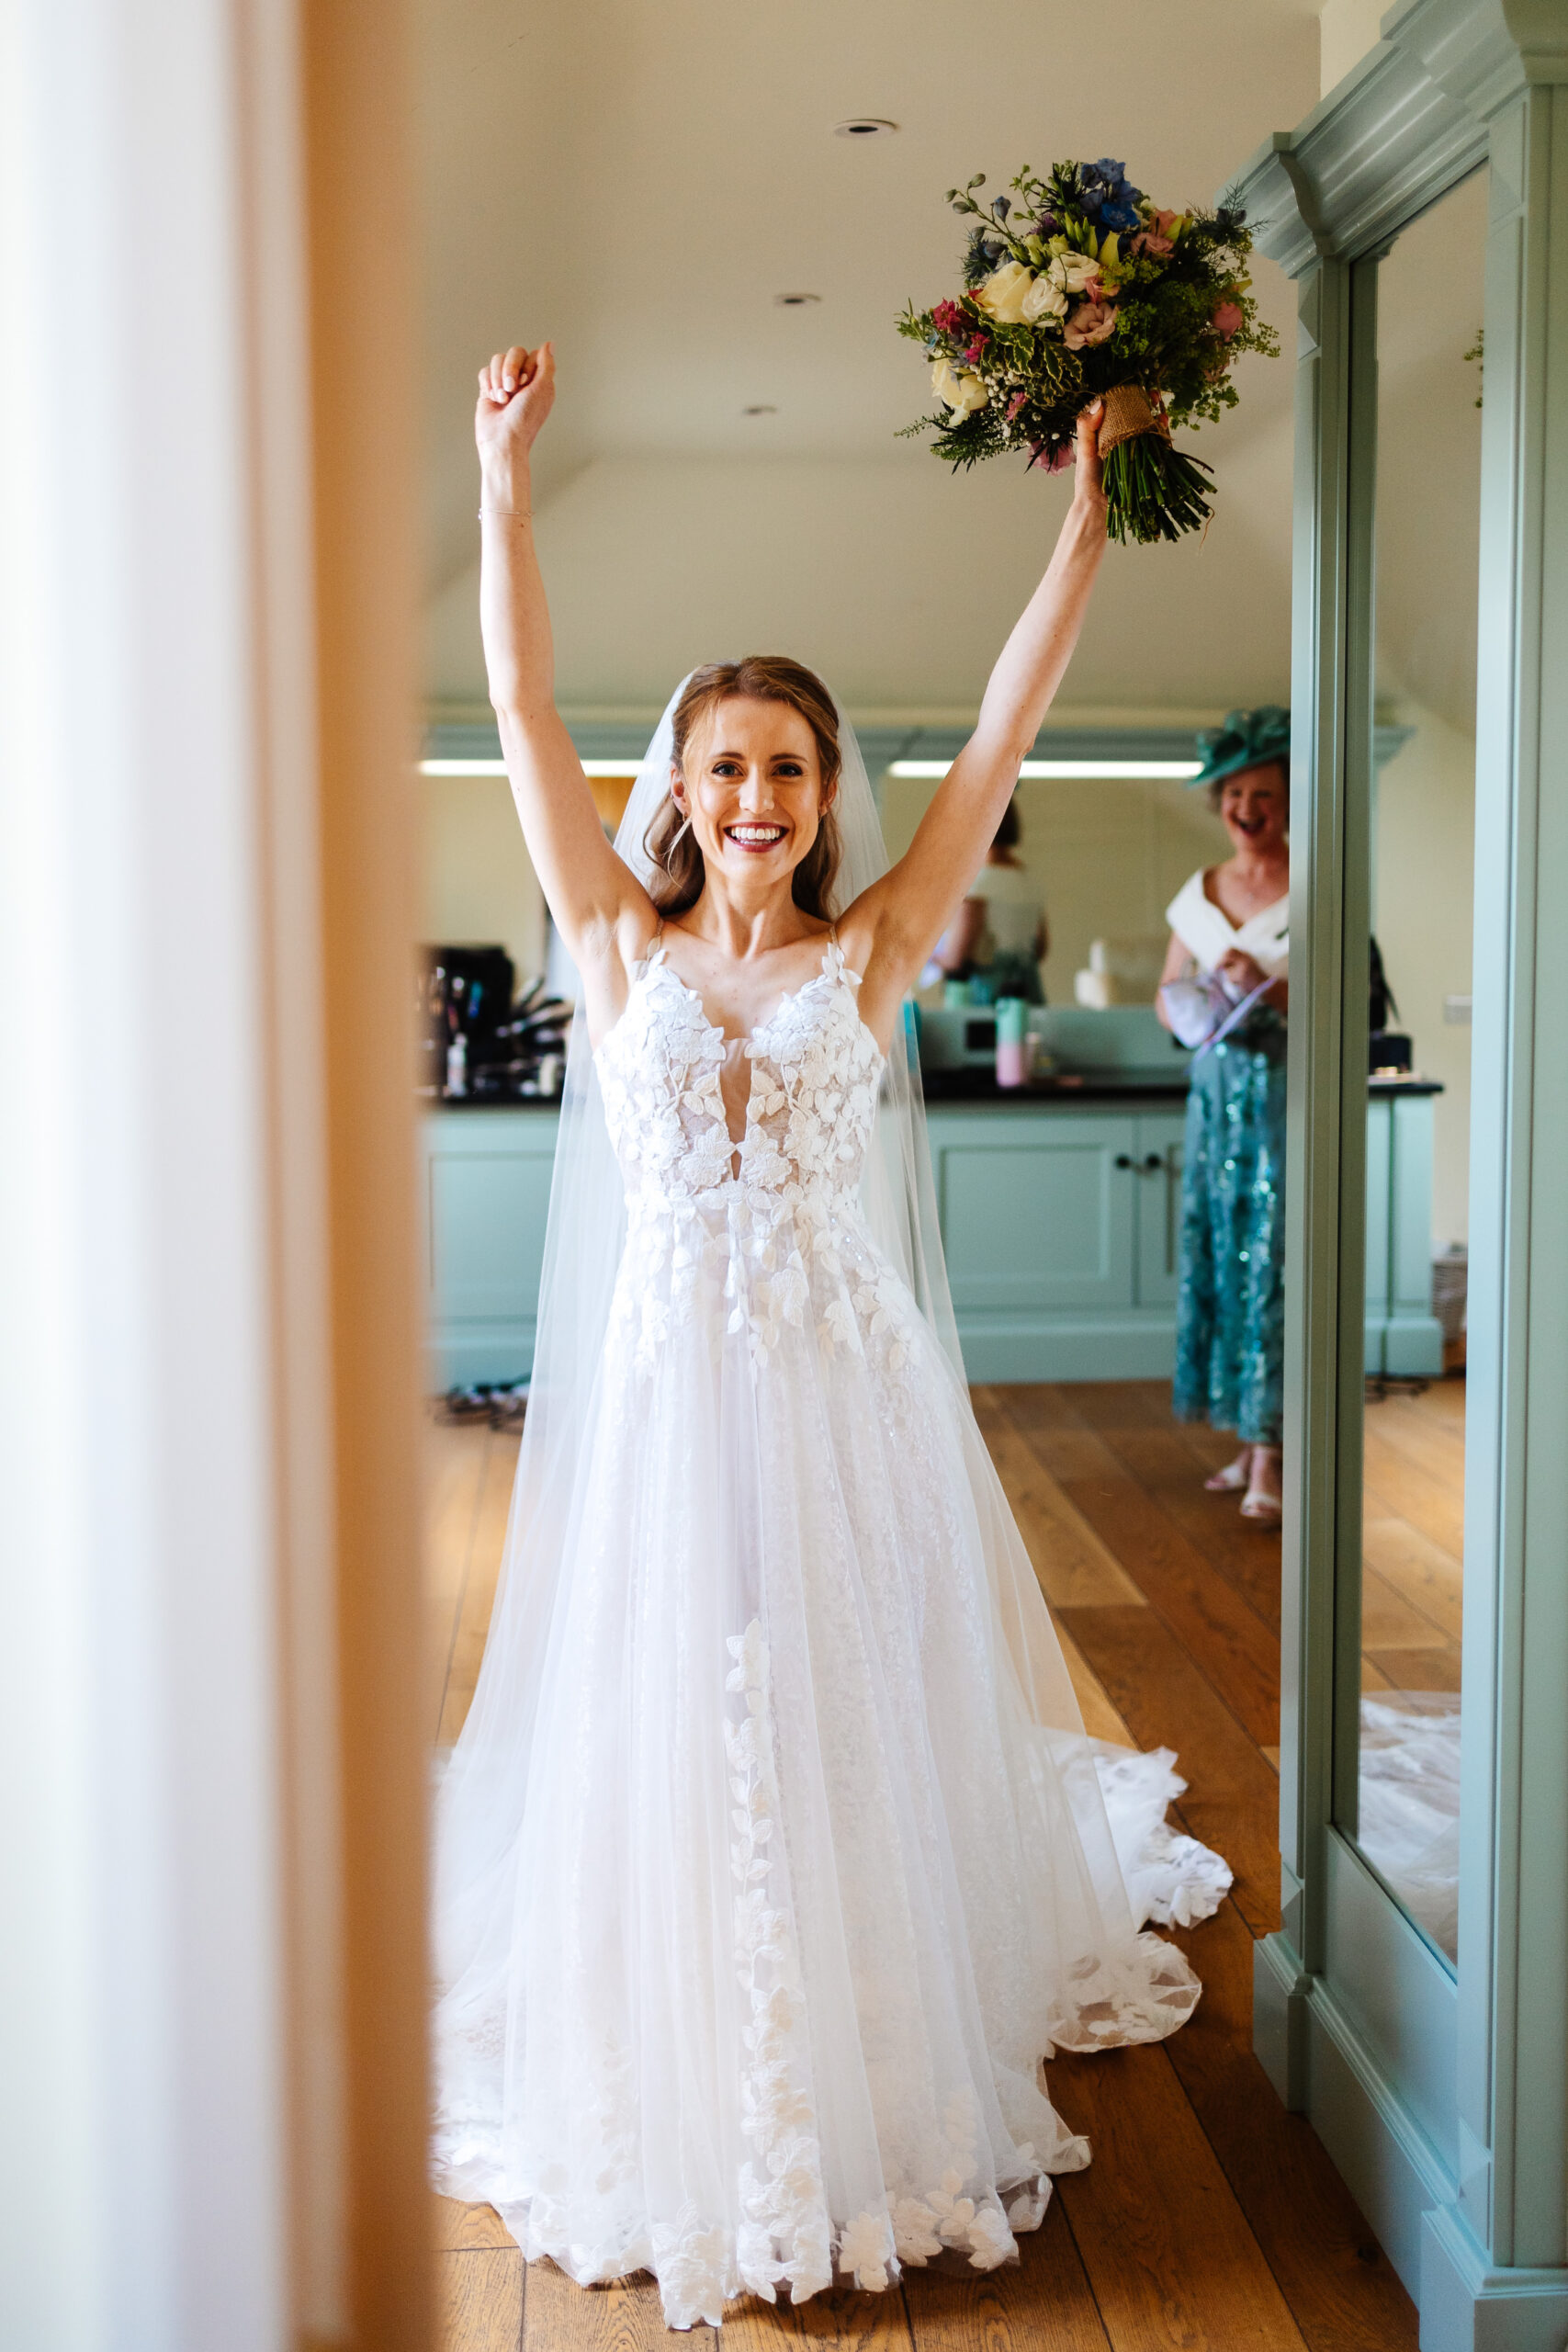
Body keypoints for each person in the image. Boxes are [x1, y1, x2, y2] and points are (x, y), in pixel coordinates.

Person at [433, 340, 1230, 2330]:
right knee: (669, 1688)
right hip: (655, 1399)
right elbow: (521, 698)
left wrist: (1079, 520)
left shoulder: (871, 942)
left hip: (833, 1393)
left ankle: (866, 2033)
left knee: (823, 1691)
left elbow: (1001, 714)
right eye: (726, 766)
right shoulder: (610, 935)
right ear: (680, 791)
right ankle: (674, 2023)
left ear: (818, 790)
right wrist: (499, 480)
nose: (761, 797)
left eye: (789, 766)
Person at [1156, 708, 1291, 1524]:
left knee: (1273, 1265)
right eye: (1234, 793)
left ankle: (1272, 1453)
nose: (1246, 807)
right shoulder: (1197, 896)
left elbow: (1357, 1003)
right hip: (1214, 1099)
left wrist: (1269, 988)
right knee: (1220, 1258)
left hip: (1283, 1099)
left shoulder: (1319, 884)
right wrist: (1209, 993)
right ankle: (1244, 1441)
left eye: (1263, 793)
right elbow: (1166, 1004)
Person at [928, 797, 1049, 1001]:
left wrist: (932, 958)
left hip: (988, 996)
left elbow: (958, 957)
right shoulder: (1030, 882)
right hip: (1027, 991)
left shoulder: (977, 886)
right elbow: (1040, 948)